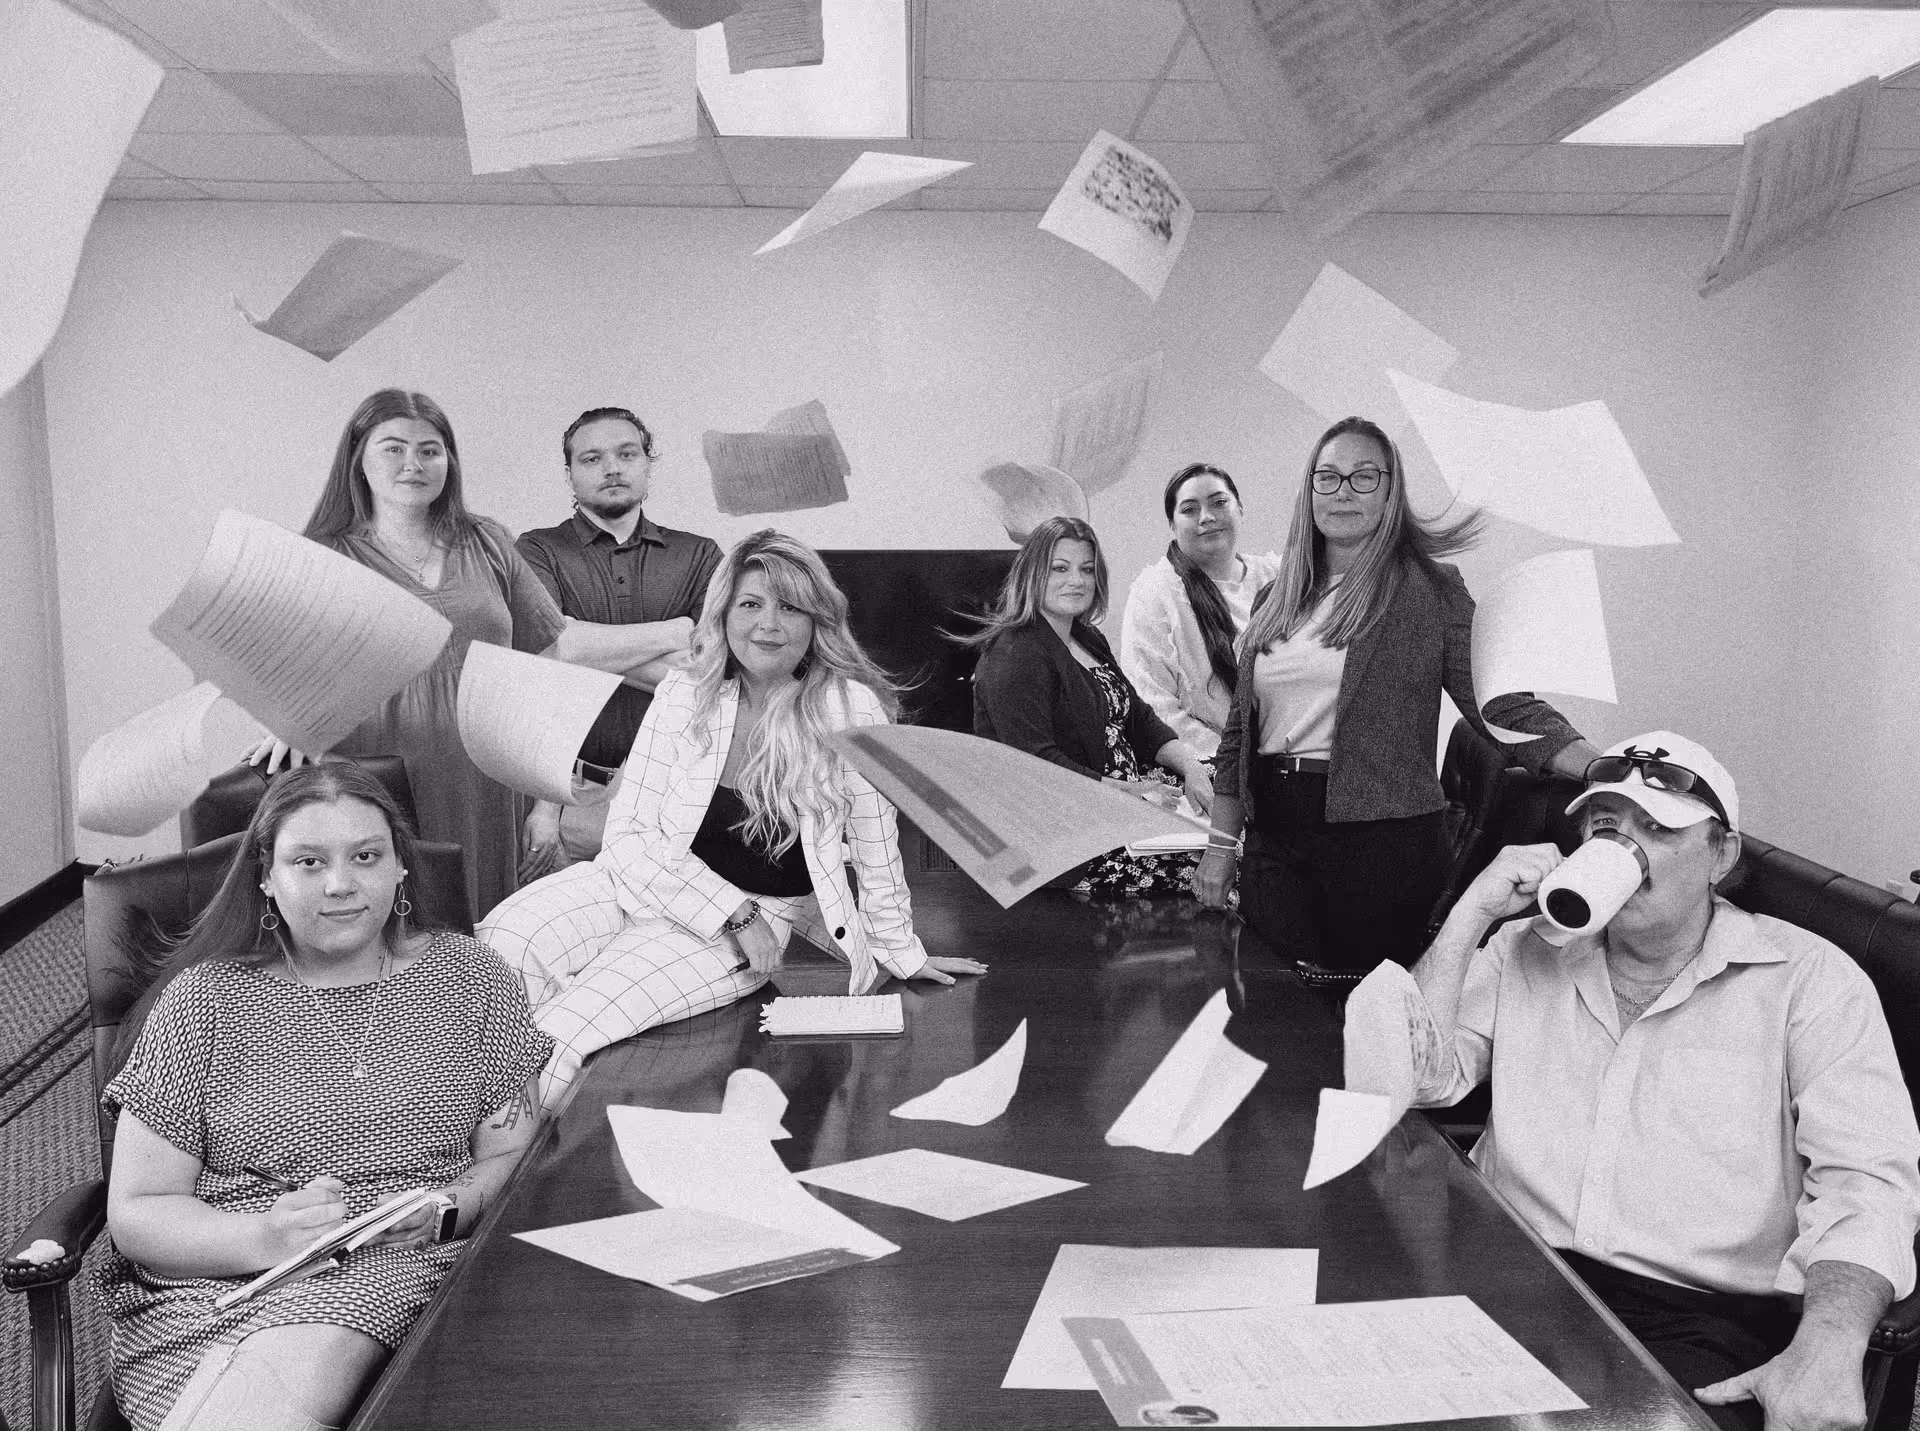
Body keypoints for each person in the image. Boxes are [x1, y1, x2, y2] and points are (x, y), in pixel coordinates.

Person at [1403, 733, 1920, 1431]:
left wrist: (1830, 1339)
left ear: (1721, 855)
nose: (1627, 849)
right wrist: (1472, 914)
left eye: (1658, 828)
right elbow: (1419, 1081)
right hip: (1504, 1270)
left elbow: (1868, 1183)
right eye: (1610, 827)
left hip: (1693, 1322)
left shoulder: (1809, 982)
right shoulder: (1528, 946)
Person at [98, 764, 551, 1431]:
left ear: (400, 867)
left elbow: (514, 1151)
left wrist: (444, 1207)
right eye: (309, 861)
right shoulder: (206, 1000)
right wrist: (266, 1234)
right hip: (219, 1292)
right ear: (265, 876)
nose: (341, 883)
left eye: (365, 856)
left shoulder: (473, 979)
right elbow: (138, 1213)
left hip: (420, 1267)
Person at [478, 530, 988, 1108]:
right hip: (640, 883)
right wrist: (731, 912)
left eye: (790, 606)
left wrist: (903, 951)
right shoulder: (685, 693)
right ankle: (430, 1151)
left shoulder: (848, 708)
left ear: (816, 621)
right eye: (752, 604)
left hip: (745, 922)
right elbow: (628, 838)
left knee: (563, 1031)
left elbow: (876, 847)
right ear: (723, 614)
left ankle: (491, 1180)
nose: (768, 624)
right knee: (498, 953)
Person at [248, 389, 695, 923]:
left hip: (490, 781)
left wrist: (544, 796)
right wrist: (287, 717)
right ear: (358, 460)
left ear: (449, 462)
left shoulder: (487, 540)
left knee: (485, 936)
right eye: (393, 448)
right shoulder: (324, 554)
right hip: (380, 779)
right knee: (390, 935)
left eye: (430, 450)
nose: (413, 463)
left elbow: (547, 658)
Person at [1193, 415, 1598, 969]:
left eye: (1364, 477)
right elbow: (1239, 735)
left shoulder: (1428, 590)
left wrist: (1600, 765)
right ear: (1309, 490)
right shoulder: (1276, 599)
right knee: (1275, 1013)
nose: (1343, 491)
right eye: (1328, 477)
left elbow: (1498, 704)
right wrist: (1221, 846)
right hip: (1275, 838)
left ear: (1390, 491)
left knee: (1367, 1021)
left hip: (1382, 840)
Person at [515, 407, 723, 878]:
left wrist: (582, 652)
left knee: (665, 940)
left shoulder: (700, 553)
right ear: (569, 475)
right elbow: (552, 651)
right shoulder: (537, 549)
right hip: (568, 793)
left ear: (649, 462)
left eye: (626, 454)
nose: (612, 468)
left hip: (678, 795)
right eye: (591, 459)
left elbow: (711, 672)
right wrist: (673, 632)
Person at [969, 516, 1214, 897]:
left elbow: (1140, 721)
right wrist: (1127, 794)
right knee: (1222, 868)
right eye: (1060, 568)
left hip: (1130, 814)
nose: (1077, 580)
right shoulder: (1015, 655)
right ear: (1032, 575)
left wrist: (1191, 768)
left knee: (1235, 814)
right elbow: (1036, 764)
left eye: (1086, 569)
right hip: (1072, 843)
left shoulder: (1088, 638)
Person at [1120, 463, 1282, 760]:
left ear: (1240, 509)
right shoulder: (1156, 591)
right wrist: (1233, 763)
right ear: (1172, 524)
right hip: (1203, 770)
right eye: (1189, 509)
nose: (1206, 518)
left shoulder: (1279, 577)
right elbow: (1152, 705)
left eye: (1219, 503)